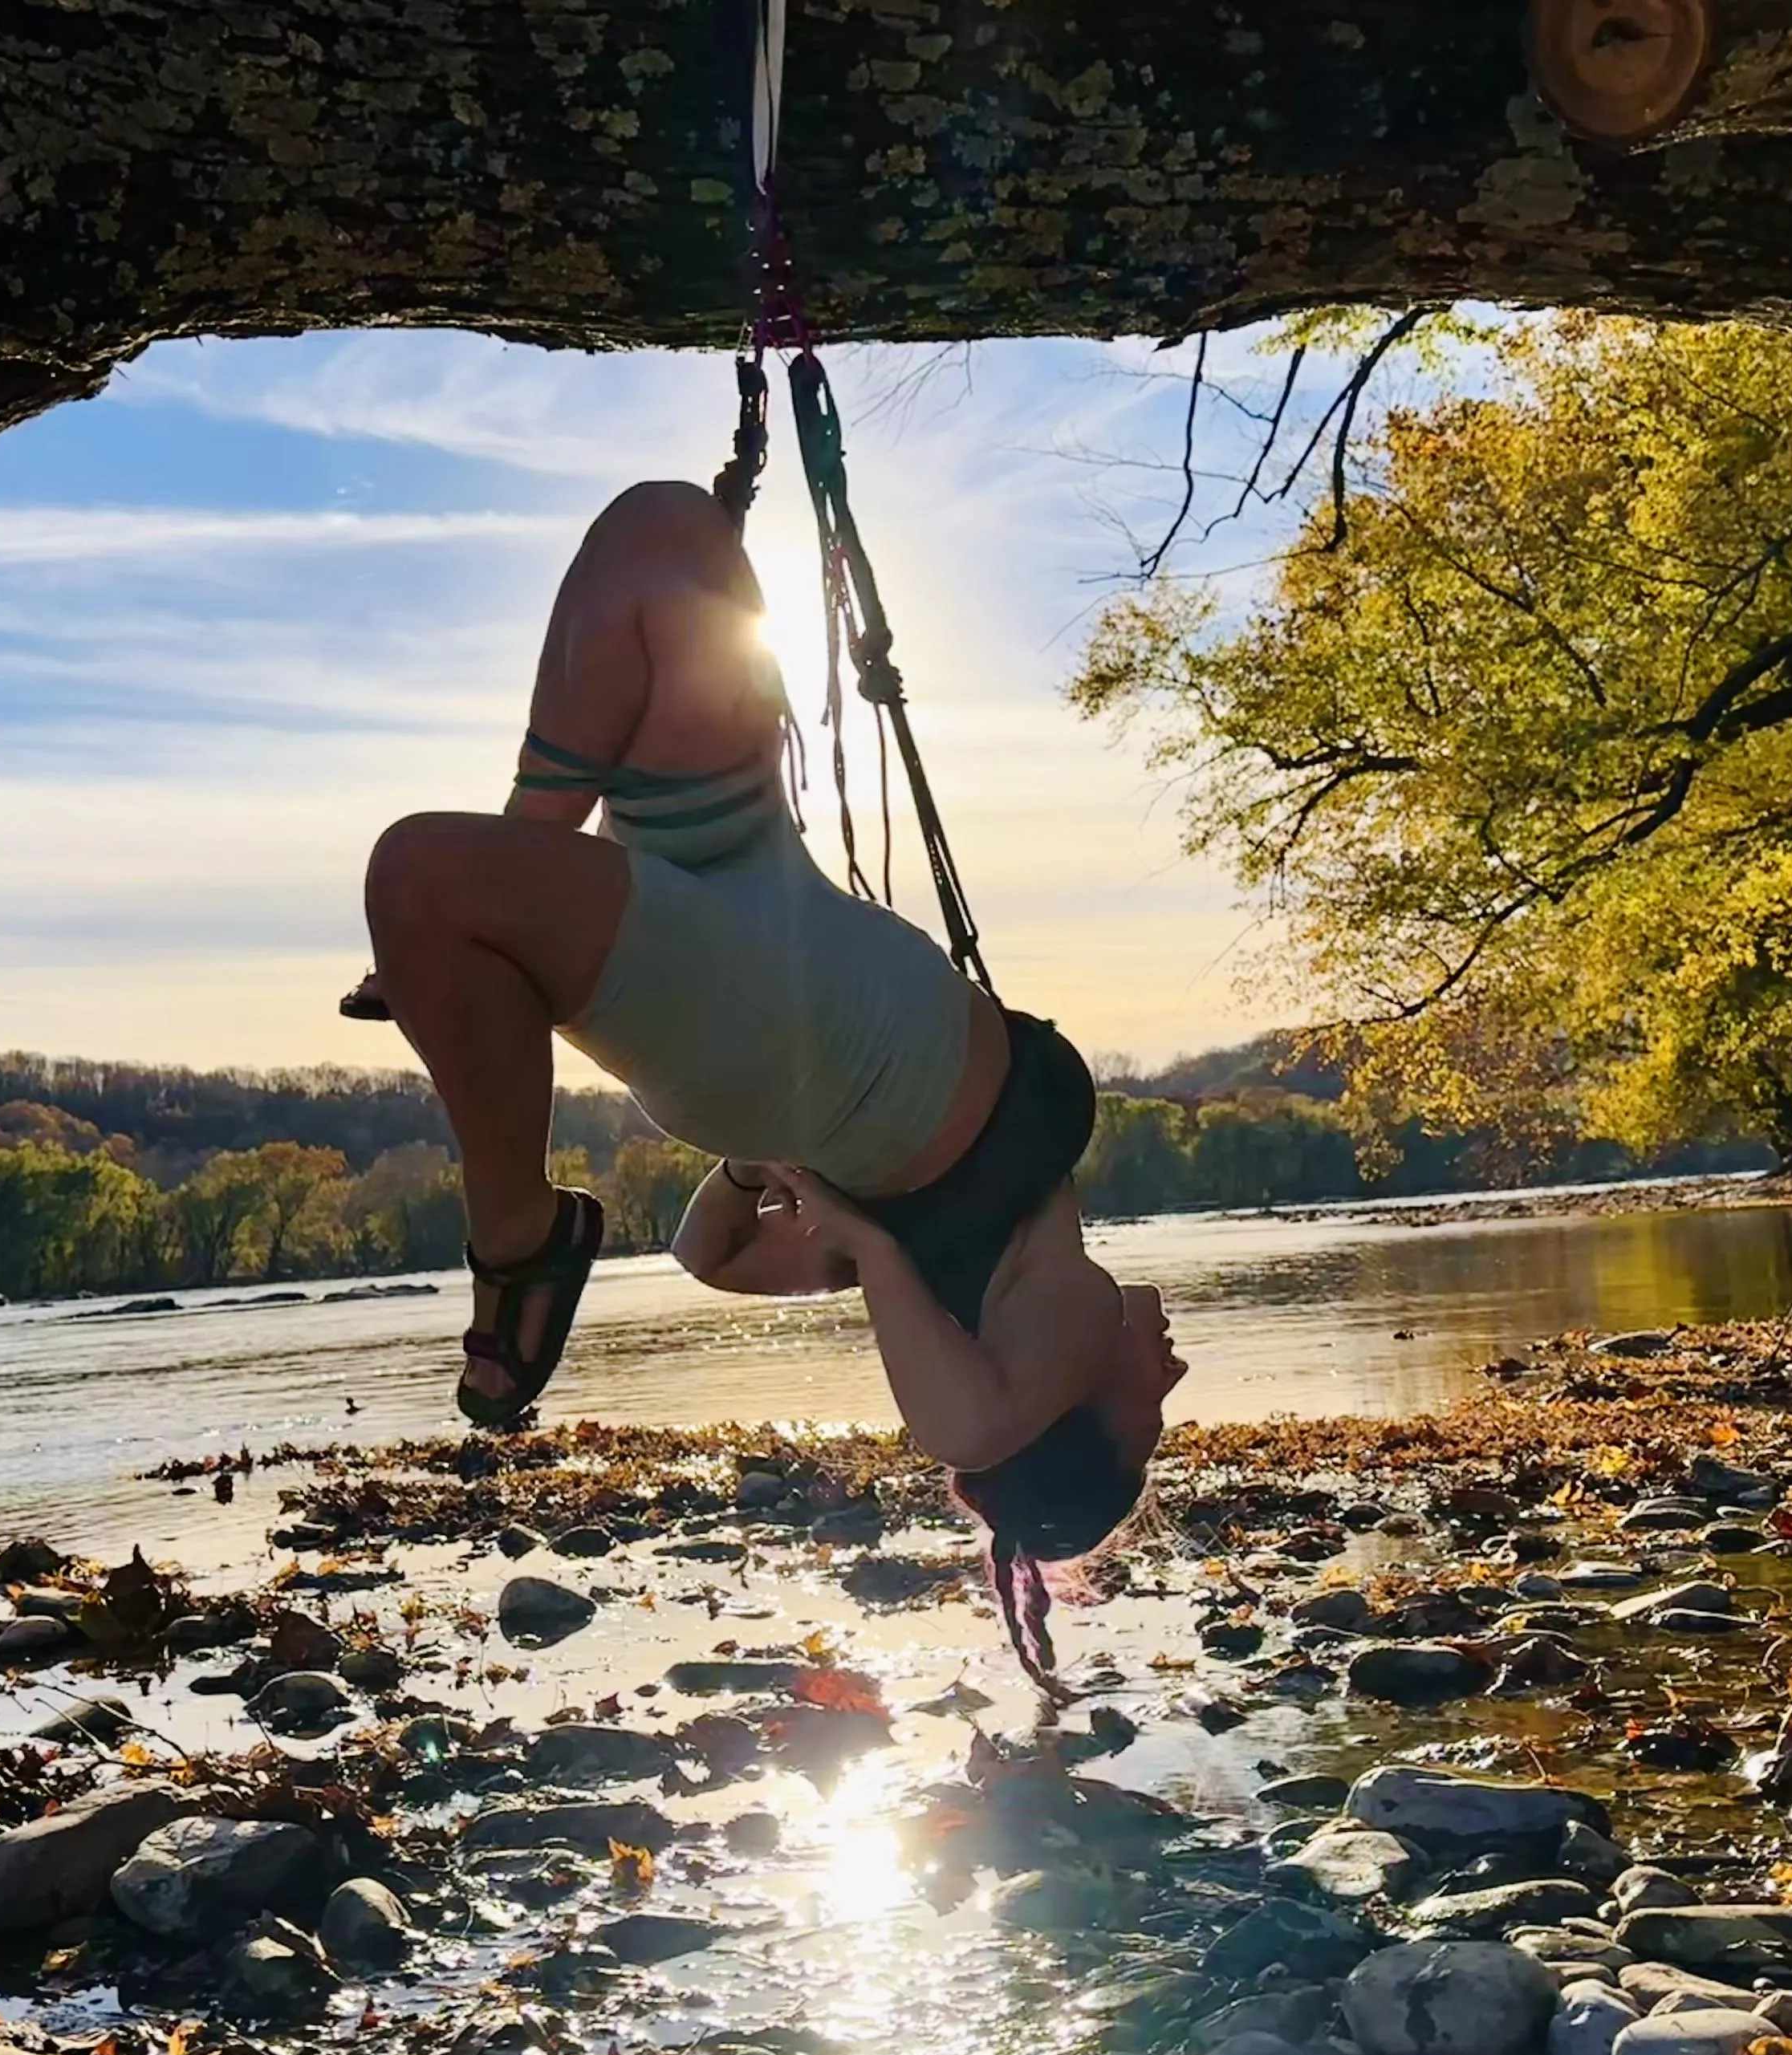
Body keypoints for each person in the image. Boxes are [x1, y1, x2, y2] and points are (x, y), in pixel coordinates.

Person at [358, 480, 1186, 1686]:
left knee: (419, 877)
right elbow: (713, 1251)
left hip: (774, 1029)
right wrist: (776, 1181)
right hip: (776, 917)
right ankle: (484, 921)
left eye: (1151, 1425)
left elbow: (960, 1435)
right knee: (665, 545)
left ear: (1081, 1427)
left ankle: (521, 1237)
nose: (1170, 1383)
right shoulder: (995, 1261)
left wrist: (863, 1237)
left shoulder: (1036, 1333)